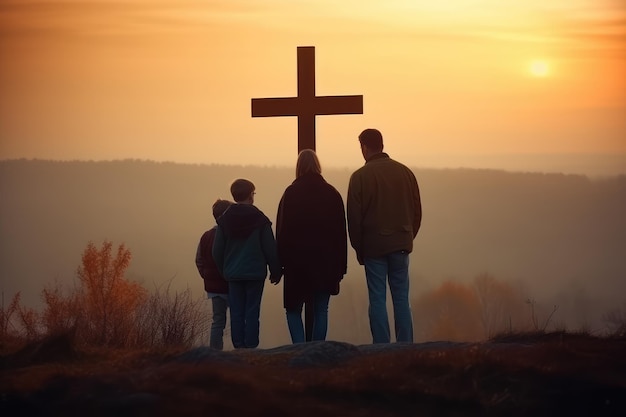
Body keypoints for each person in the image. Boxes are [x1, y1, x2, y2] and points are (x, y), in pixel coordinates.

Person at [347, 128, 422, 343]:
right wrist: (407, 237)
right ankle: (405, 344)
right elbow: (416, 212)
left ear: (364, 147)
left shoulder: (360, 177)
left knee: (377, 297)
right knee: (401, 297)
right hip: (401, 243)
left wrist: (359, 249)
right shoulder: (406, 172)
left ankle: (381, 346)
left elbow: (354, 219)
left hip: (373, 247)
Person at [276, 149, 347, 344]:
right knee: (321, 309)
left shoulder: (290, 194)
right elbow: (341, 233)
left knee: (293, 310)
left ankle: (299, 348)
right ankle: (318, 349)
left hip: (296, 264)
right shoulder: (332, 193)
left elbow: (282, 231)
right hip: (326, 263)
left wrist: (279, 264)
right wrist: (341, 266)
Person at [212, 179, 282, 348]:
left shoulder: (224, 221)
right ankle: (251, 347)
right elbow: (270, 248)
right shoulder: (260, 219)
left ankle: (239, 346)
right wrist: (275, 271)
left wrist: (225, 271)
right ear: (251, 195)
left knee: (236, 312)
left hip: (233, 275)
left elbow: (217, 251)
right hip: (255, 273)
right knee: (252, 311)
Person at [195, 199, 233, 350]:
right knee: (237, 318)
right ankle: (242, 351)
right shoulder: (230, 236)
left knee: (217, 321)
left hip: (214, 289)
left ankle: (214, 352)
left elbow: (198, 260)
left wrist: (206, 276)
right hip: (231, 286)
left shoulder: (206, 236)